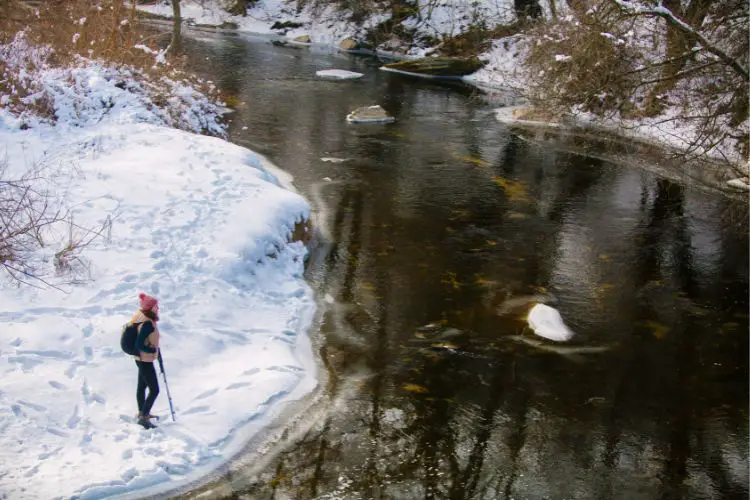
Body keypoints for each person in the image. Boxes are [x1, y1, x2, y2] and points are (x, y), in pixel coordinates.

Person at [131, 292, 160, 429]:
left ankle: (143, 413)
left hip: (141, 359)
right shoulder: (147, 323)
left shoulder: (145, 318)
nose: (158, 308)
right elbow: (139, 344)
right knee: (154, 390)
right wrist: (152, 351)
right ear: (150, 307)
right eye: (156, 306)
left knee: (142, 387)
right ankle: (144, 417)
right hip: (144, 360)